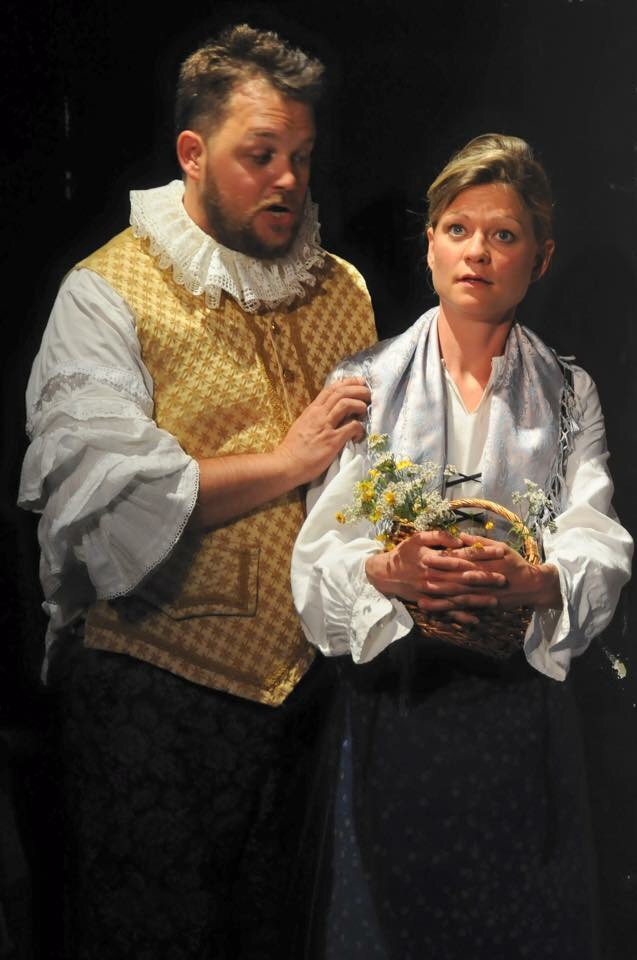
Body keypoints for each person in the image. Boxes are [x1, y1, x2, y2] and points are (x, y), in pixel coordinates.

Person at [18, 23, 377, 960]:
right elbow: (110, 496)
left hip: (311, 696)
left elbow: (369, 481)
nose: (288, 179)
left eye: (301, 155)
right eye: (260, 155)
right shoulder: (107, 292)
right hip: (154, 693)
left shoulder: (341, 289)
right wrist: (290, 461)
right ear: (192, 152)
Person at [292, 134, 633, 959]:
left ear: (538, 258)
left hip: (518, 715)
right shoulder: (363, 383)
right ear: (429, 245)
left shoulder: (567, 391)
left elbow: (595, 535)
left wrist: (532, 582)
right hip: (399, 704)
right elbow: (318, 557)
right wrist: (389, 570)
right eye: (457, 229)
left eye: (502, 234)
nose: (476, 251)